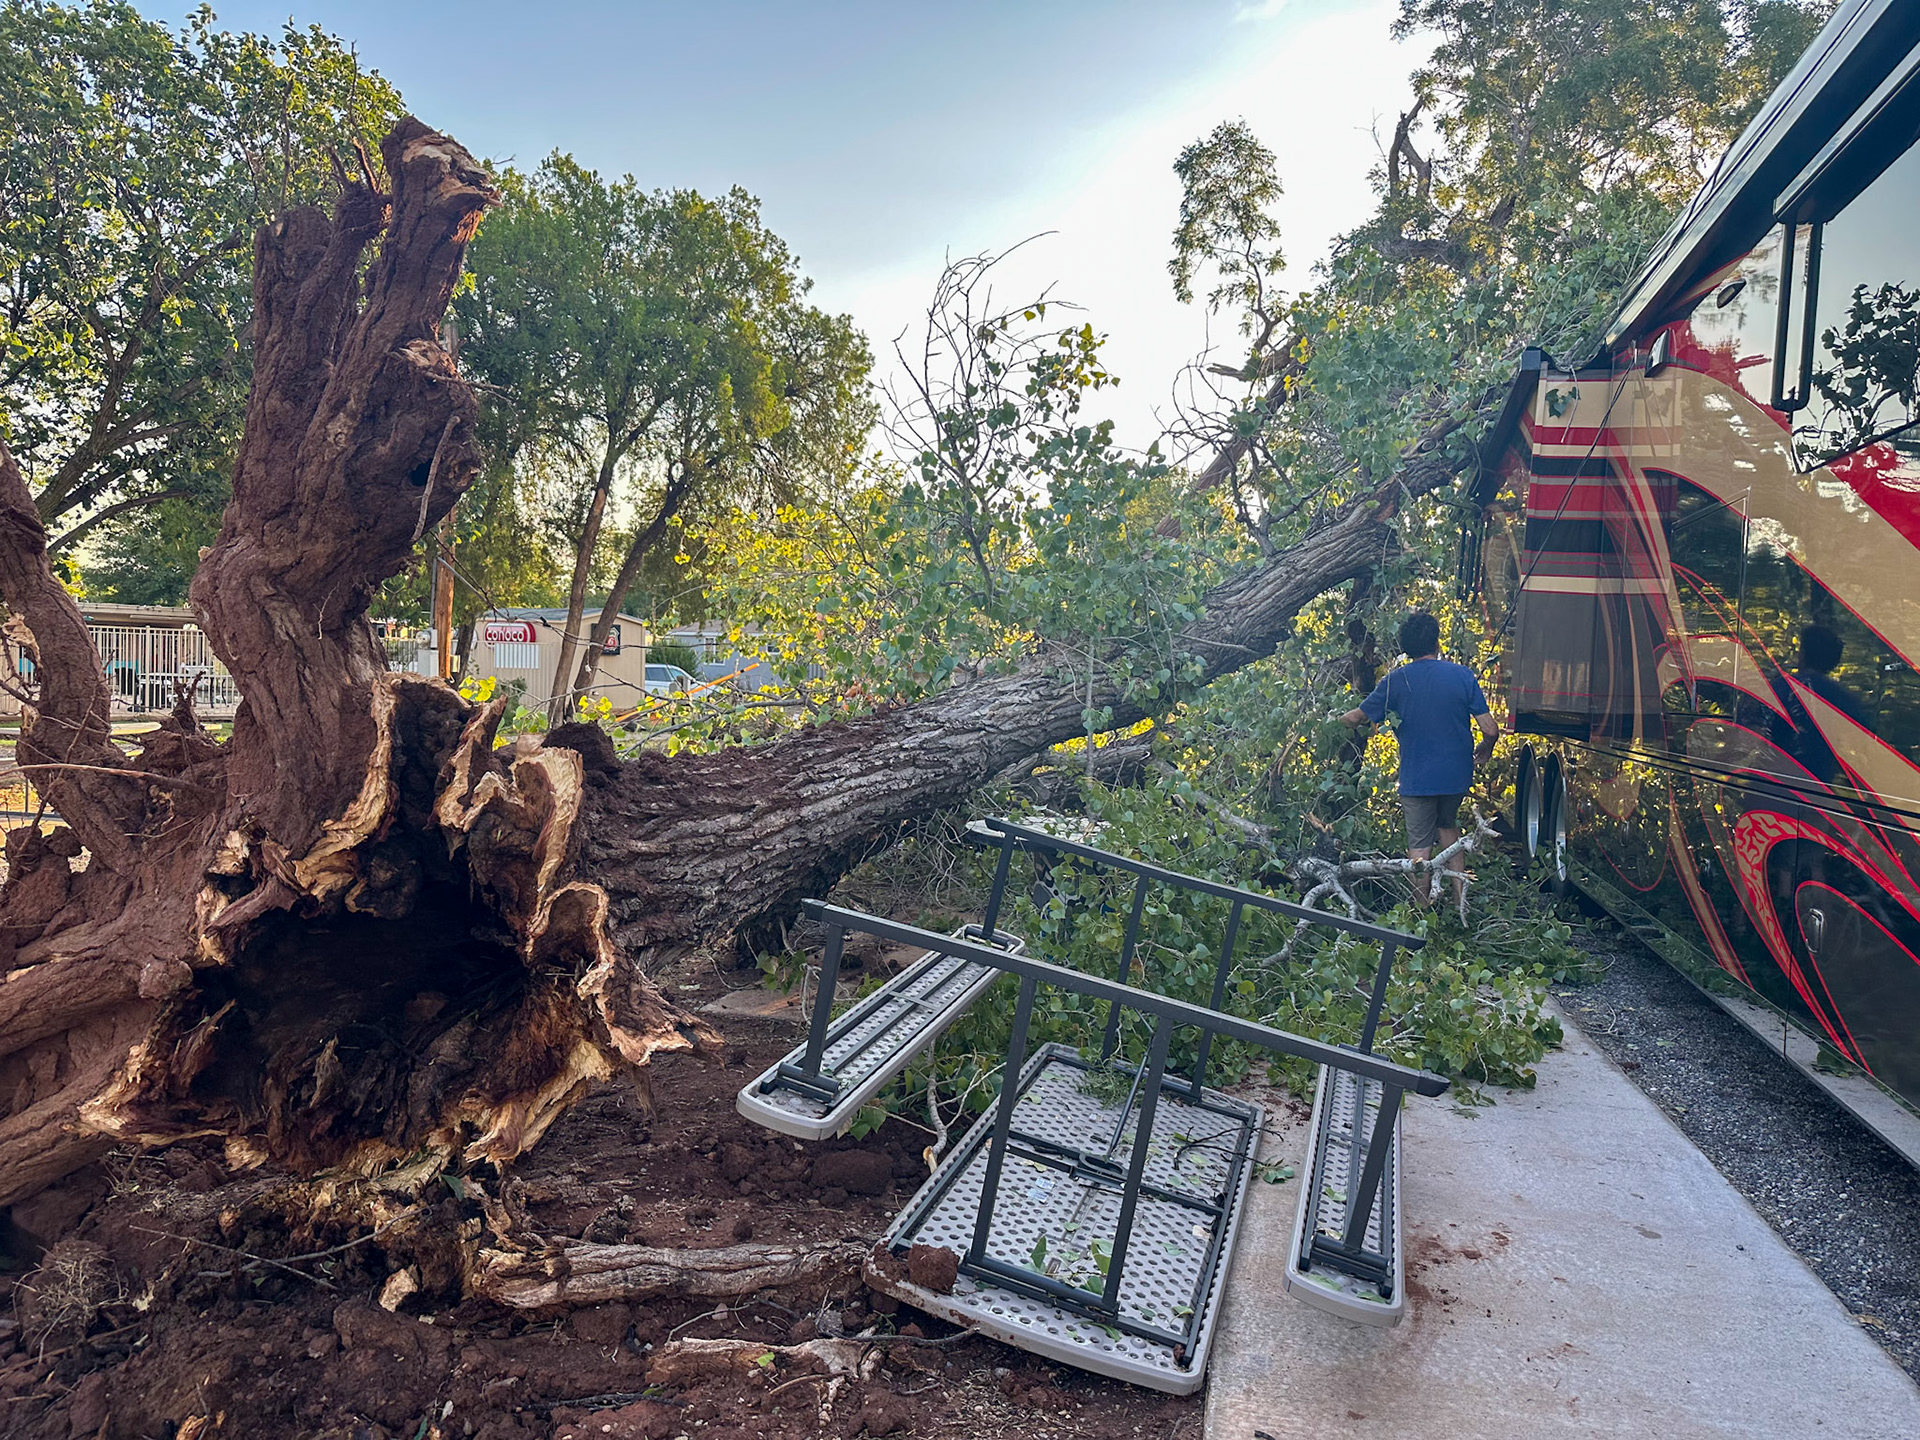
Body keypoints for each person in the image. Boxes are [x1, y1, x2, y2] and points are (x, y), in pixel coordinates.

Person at [1339, 611, 1499, 909]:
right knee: (1449, 828)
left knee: (1420, 846)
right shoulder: (1462, 675)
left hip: (1417, 777)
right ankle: (1460, 902)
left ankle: (1421, 911)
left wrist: (1334, 720)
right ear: (1436, 643)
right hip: (1456, 775)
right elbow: (1489, 728)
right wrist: (1485, 749)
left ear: (1405, 647)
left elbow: (1357, 717)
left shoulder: (1397, 681)